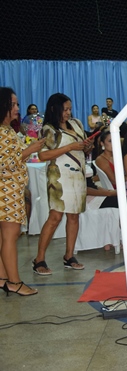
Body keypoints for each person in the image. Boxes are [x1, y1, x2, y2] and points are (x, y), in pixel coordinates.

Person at [33, 93, 93, 275]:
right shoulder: (49, 130)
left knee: (74, 216)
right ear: (54, 109)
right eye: (65, 109)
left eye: (70, 109)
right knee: (55, 217)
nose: (68, 113)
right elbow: (43, 155)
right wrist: (70, 147)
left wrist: (87, 146)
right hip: (59, 177)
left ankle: (69, 256)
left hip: (77, 176)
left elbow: (82, 149)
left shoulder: (77, 124)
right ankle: (39, 259)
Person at [0, 87, 44, 295]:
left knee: (4, 237)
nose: (18, 108)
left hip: (10, 189)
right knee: (11, 235)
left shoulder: (8, 129)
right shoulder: (2, 132)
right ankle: (15, 282)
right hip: (6, 191)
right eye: (13, 104)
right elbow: (4, 163)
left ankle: (3, 278)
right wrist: (29, 150)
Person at [85, 171, 127, 249]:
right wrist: (110, 193)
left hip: (98, 195)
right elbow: (84, 189)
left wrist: (109, 192)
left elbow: (92, 185)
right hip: (91, 200)